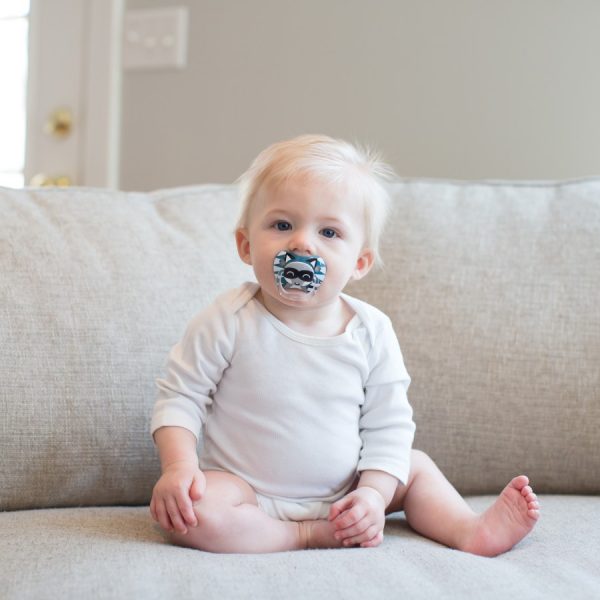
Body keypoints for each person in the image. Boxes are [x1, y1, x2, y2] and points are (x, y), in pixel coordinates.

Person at [149, 134, 540, 555]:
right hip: (249, 492)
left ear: (359, 263)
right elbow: (180, 398)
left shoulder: (372, 331)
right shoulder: (228, 318)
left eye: (329, 231)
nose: (302, 243)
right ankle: (298, 536)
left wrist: (373, 494)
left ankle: (469, 530)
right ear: (246, 245)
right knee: (192, 515)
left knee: (414, 465)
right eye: (282, 225)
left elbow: (388, 425)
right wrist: (179, 467)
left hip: (349, 491)